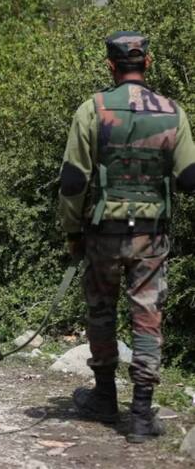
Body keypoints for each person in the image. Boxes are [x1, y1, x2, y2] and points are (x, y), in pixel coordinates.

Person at [58, 31, 195, 443]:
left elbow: (72, 181)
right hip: (151, 237)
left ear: (110, 67)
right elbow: (189, 179)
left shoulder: (92, 110)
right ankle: (139, 415)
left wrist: (71, 232)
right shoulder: (174, 113)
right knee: (146, 318)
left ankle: (104, 399)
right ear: (147, 63)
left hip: (103, 233)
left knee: (101, 311)